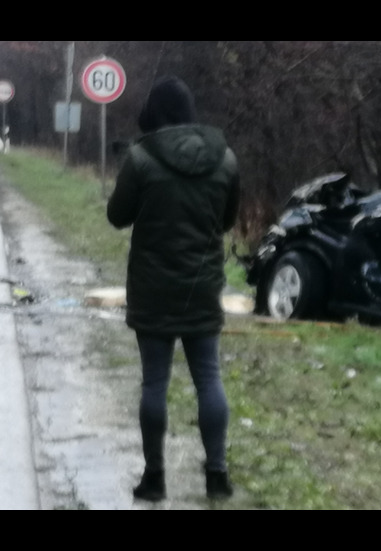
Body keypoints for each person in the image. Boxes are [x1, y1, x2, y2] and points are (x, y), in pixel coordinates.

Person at [107, 75, 240, 502]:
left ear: (158, 112)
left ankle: (155, 478)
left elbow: (116, 216)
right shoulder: (226, 160)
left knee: (154, 384)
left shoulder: (142, 158)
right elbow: (226, 220)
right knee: (208, 378)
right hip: (201, 287)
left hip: (153, 288)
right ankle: (217, 474)